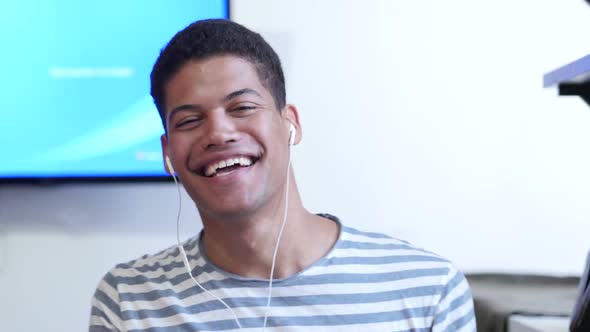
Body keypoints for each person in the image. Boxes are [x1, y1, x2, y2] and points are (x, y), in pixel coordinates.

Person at [89, 19, 476, 332]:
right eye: (190, 120)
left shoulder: (427, 288)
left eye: (241, 107)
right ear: (168, 153)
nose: (219, 133)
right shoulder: (130, 298)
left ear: (290, 124)